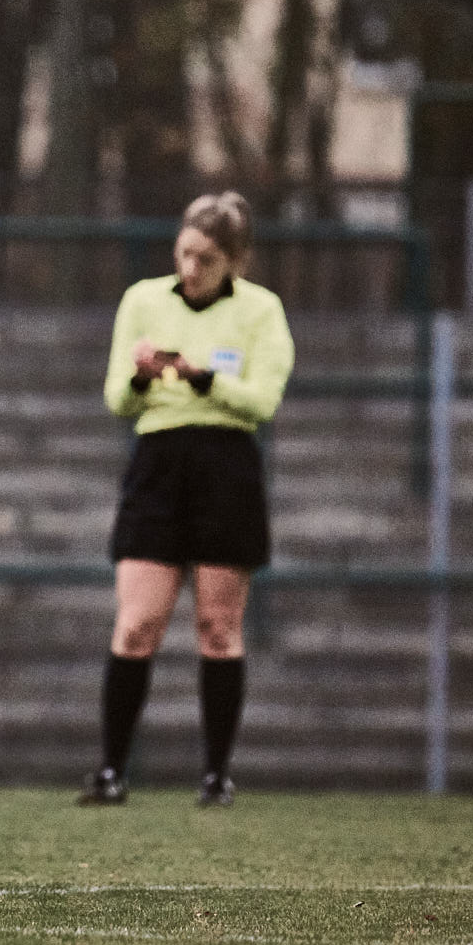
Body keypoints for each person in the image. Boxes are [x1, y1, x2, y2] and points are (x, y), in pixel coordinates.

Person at [80, 191, 293, 808]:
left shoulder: (261, 310)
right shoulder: (143, 300)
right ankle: (111, 772)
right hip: (159, 465)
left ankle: (216, 776)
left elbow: (263, 401)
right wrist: (143, 374)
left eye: (207, 259)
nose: (191, 269)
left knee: (218, 628)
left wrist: (204, 379)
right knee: (137, 623)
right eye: (185, 254)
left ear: (234, 261)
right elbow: (118, 399)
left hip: (227, 469)